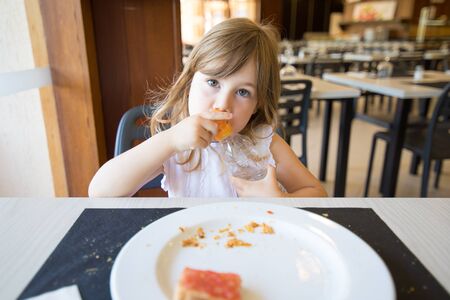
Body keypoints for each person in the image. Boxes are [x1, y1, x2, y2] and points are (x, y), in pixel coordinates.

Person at [89, 18, 327, 198]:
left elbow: (317, 193)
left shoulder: (265, 145)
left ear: (258, 105)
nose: (223, 104)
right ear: (190, 80)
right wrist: (170, 141)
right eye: (213, 82)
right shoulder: (176, 146)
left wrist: (281, 201)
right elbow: (100, 192)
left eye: (243, 92)